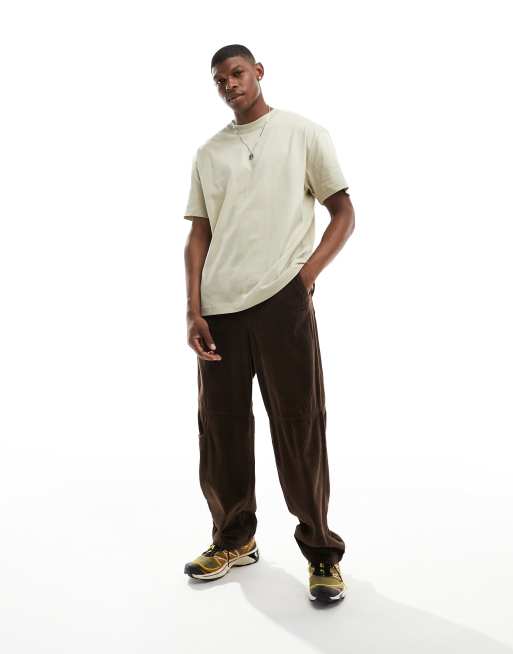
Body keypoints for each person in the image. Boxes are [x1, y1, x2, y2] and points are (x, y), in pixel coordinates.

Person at [182, 44, 355, 603]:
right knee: (221, 428)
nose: (229, 84)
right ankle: (234, 539)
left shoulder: (303, 133)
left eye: (237, 73)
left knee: (299, 424)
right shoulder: (209, 153)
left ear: (258, 72)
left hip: (283, 300)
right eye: (219, 79)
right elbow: (199, 235)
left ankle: (322, 552)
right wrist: (194, 308)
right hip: (220, 309)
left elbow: (343, 211)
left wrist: (306, 277)